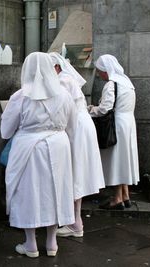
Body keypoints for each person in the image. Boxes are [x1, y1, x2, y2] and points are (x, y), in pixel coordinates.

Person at [1, 52, 77, 258]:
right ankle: (52, 242)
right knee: (56, 192)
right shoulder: (64, 94)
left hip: (29, 147)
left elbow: (6, 130)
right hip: (59, 145)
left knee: (29, 193)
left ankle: (31, 243)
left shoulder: (21, 96)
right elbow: (73, 127)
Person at [49, 52, 105, 237]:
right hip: (83, 125)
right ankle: (74, 220)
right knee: (78, 171)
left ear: (56, 67)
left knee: (74, 172)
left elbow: (60, 109)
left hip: (76, 127)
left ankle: (74, 222)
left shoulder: (62, 80)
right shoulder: (67, 78)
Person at [88, 54, 139, 210]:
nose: (98, 74)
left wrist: (90, 110)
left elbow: (105, 108)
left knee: (116, 160)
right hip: (129, 123)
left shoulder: (112, 84)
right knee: (124, 159)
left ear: (106, 70)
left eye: (99, 71)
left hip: (117, 124)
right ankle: (125, 195)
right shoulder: (127, 82)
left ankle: (117, 198)